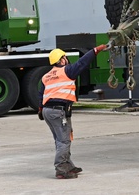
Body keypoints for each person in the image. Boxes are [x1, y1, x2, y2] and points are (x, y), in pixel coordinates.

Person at [38, 43, 109, 179]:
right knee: (64, 141)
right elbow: (82, 62)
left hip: (48, 111)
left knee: (61, 139)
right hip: (59, 111)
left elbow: (41, 94)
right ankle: (61, 169)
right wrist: (95, 50)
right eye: (65, 57)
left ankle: (68, 165)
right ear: (61, 60)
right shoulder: (67, 70)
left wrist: (40, 109)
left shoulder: (46, 76)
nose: (66, 59)